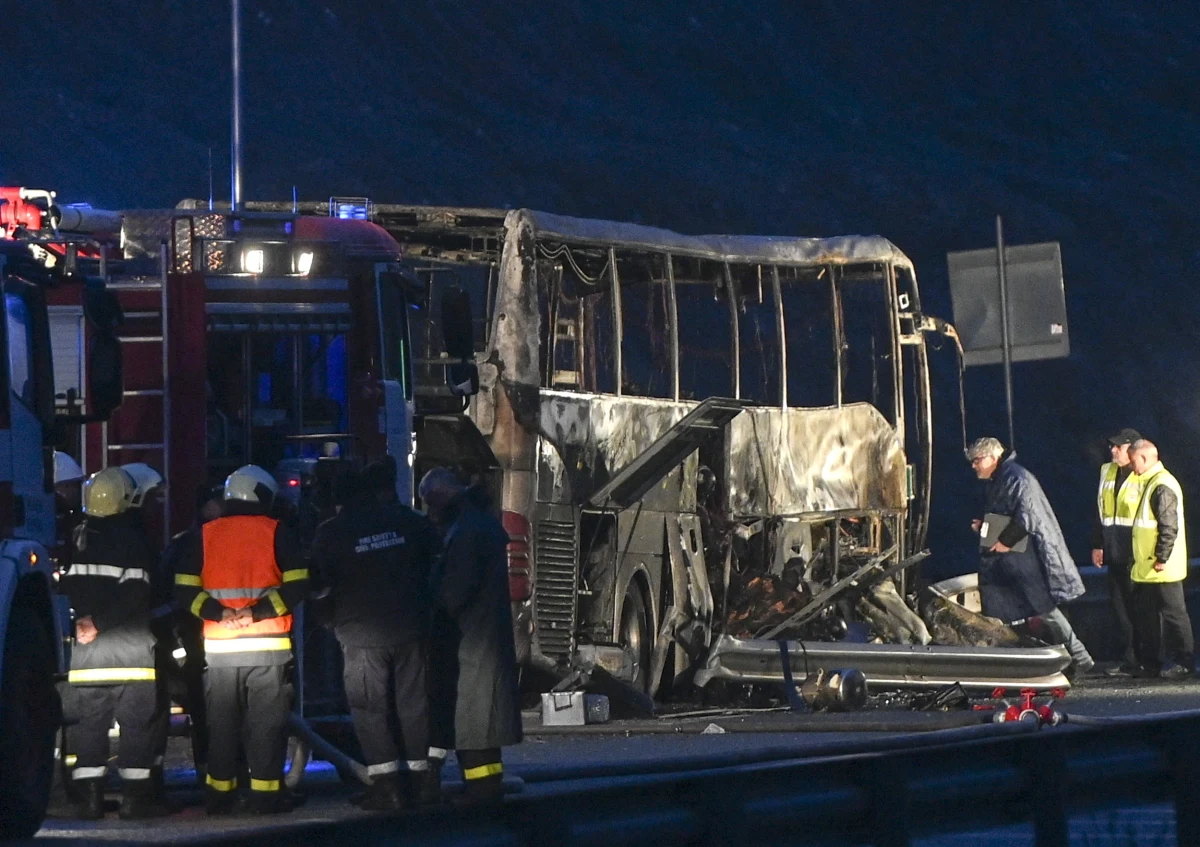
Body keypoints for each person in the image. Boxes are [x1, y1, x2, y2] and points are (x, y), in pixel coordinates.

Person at [173, 465, 308, 815]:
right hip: (268, 648)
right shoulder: (276, 531)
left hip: (220, 650)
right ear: (262, 494)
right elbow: (298, 584)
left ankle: (220, 797)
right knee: (266, 726)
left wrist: (218, 614)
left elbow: (184, 589)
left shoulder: (204, 535)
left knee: (221, 726)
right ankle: (265, 797)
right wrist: (256, 613)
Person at [310, 462, 439, 811]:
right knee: (414, 706)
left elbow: (317, 586)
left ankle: (387, 787)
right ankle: (422, 783)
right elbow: (435, 565)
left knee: (370, 709)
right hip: (410, 629)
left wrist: (330, 622)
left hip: (360, 635)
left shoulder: (331, 533)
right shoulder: (410, 522)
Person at [58, 467, 167, 820]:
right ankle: (135, 802)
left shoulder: (75, 538)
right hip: (131, 654)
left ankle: (89, 801)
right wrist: (100, 623)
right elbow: (136, 592)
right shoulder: (133, 539)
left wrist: (83, 624)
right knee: (137, 727)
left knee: (89, 728)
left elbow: (63, 590)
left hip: (87, 656)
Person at [418, 467, 522, 807]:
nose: (430, 512)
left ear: (441, 496)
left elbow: (454, 592)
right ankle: (485, 786)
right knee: (482, 725)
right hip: (483, 641)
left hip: (472, 643)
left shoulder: (465, 533)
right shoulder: (477, 523)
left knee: (473, 723)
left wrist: (427, 607)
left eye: (430, 503)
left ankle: (481, 791)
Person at [967, 437, 1094, 676]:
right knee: (1013, 610)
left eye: (977, 460)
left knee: (1043, 607)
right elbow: (1007, 514)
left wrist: (1006, 541)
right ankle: (1020, 661)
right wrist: (985, 527)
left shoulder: (1016, 477)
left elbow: (1026, 514)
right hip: (1009, 557)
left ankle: (1079, 656)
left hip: (1023, 556)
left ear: (992, 457)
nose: (974, 466)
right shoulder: (1001, 479)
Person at [159, 483, 225, 784]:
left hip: (218, 636)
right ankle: (209, 769)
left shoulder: (200, 540)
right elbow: (170, 592)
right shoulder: (188, 543)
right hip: (196, 638)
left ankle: (219, 771)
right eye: (217, 501)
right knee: (203, 706)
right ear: (205, 506)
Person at [1127, 439, 1194, 679]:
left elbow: (1168, 525)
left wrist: (1162, 557)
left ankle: (1184, 662)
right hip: (1148, 565)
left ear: (1144, 458)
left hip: (1161, 566)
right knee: (1148, 616)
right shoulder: (1151, 482)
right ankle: (1151, 662)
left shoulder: (1162, 484)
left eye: (1133, 461)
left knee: (1174, 615)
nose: (1131, 466)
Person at [1089, 428, 1143, 677]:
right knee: (1120, 609)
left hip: (1137, 553)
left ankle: (1144, 659)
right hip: (1114, 551)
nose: (1113, 450)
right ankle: (1129, 659)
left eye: (1119, 447)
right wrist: (1098, 544)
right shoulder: (1107, 471)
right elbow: (1100, 511)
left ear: (1133, 449)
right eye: (1113, 446)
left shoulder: (1144, 475)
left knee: (1139, 609)